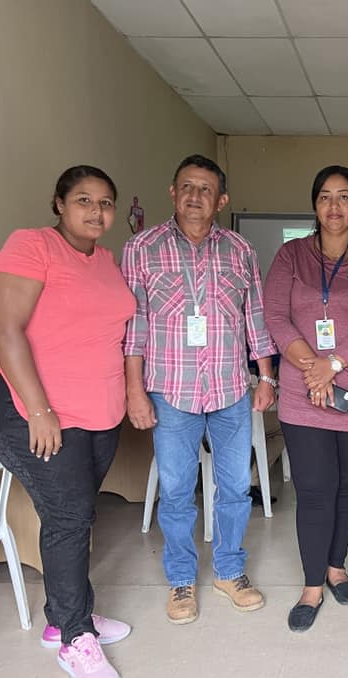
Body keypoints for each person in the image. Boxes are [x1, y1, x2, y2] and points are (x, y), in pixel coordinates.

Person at [0, 166, 136, 678]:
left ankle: (64, 616)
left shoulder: (107, 260)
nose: (96, 211)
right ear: (59, 204)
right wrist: (39, 410)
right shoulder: (32, 246)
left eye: (106, 202)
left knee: (75, 514)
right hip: (35, 410)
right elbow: (5, 329)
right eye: (84, 200)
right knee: (69, 517)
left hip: (97, 412)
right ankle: (75, 638)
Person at [121, 155, 277, 625]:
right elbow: (134, 325)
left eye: (205, 189)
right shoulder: (141, 248)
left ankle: (229, 571)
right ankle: (181, 579)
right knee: (175, 491)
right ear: (173, 192)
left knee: (235, 487)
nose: (195, 196)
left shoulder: (240, 250)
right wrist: (134, 390)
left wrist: (266, 377)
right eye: (186, 187)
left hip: (230, 388)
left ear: (220, 200)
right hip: (171, 391)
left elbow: (254, 317)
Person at [264, 165, 348, 633]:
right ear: (314, 205)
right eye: (325, 196)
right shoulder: (291, 255)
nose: (334, 206)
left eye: (344, 196)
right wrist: (314, 368)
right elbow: (276, 317)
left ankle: (336, 566)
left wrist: (335, 364)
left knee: (347, 486)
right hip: (304, 395)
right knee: (313, 490)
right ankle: (311, 585)